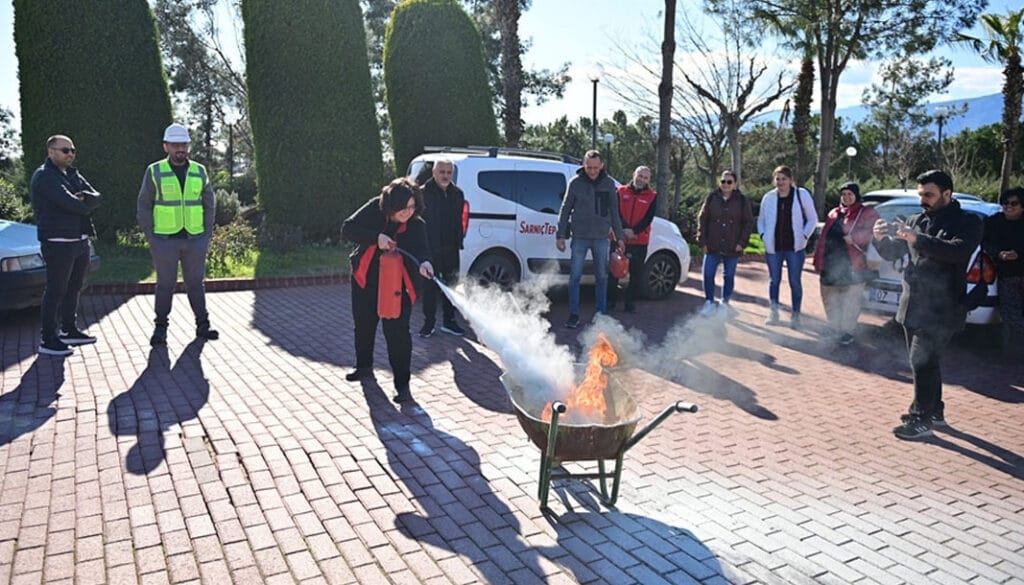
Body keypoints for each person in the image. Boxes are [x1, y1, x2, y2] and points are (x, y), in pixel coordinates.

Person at [872, 169, 982, 440]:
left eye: (929, 195)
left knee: (920, 360)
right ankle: (935, 411)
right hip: (913, 305)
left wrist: (917, 239)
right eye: (921, 194)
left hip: (943, 307)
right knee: (927, 362)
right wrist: (880, 239)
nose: (924, 200)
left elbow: (957, 252)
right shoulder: (915, 219)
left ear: (947, 193)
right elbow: (894, 253)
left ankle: (921, 419)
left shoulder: (968, 221)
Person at [342, 178, 434, 403]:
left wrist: (425, 263)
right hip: (366, 280)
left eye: (412, 207)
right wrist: (376, 238)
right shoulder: (375, 208)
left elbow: (423, 251)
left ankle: (402, 387)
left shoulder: (416, 225)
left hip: (396, 286)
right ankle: (364, 367)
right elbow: (348, 229)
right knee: (364, 325)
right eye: (403, 208)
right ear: (391, 204)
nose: (407, 212)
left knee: (398, 334)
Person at [137, 123, 218, 346]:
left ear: (188, 147)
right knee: (165, 284)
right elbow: (144, 204)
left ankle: (203, 326)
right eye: (174, 145)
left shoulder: (199, 171)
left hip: (195, 239)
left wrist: (206, 233)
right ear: (166, 146)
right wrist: (151, 236)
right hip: (164, 240)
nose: (179, 149)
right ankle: (160, 328)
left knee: (196, 283)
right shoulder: (154, 171)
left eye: (183, 144)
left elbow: (209, 202)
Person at [30, 135, 101, 356]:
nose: (70, 154)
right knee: (55, 290)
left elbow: (96, 197)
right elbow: (72, 204)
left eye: (72, 150)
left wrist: (83, 198)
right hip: (58, 243)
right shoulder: (44, 177)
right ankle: (48, 338)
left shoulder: (72, 173)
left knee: (74, 287)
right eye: (65, 150)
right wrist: (81, 201)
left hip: (80, 241)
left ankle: (69, 330)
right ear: (51, 152)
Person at [555, 150, 625, 328]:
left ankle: (601, 315)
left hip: (601, 237)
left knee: (602, 277)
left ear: (602, 165)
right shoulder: (575, 183)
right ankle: (573, 314)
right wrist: (560, 235)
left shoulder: (609, 184)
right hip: (580, 237)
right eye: (588, 167)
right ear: (583, 165)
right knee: (575, 277)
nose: (592, 171)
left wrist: (620, 237)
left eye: (595, 167)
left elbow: (615, 213)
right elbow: (565, 209)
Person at [812, 182, 880, 345]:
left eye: (850, 194)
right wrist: (817, 260)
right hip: (830, 263)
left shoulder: (867, 213)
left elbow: (874, 232)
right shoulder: (834, 213)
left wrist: (855, 238)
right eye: (844, 194)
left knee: (851, 300)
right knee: (829, 297)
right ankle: (834, 327)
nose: (846, 197)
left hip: (853, 264)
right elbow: (823, 239)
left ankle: (847, 331)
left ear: (856, 195)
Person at [757, 165, 818, 329]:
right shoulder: (768, 197)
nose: (780, 182)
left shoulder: (801, 194)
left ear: (790, 180)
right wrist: (763, 235)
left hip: (795, 248)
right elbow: (761, 220)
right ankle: (774, 312)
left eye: (784, 178)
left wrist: (805, 235)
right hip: (774, 248)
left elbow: (812, 219)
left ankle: (796, 316)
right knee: (774, 281)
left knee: (795, 281)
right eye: (777, 179)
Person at [418, 159, 467, 337]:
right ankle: (428, 324)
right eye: (442, 172)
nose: (445, 176)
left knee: (451, 285)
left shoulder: (458, 194)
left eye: (448, 172)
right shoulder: (423, 194)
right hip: (430, 249)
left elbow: (459, 221)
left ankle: (449, 322)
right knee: (430, 288)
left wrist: (459, 241)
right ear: (434, 172)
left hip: (451, 248)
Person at [697, 170, 754, 317]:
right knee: (708, 274)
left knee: (729, 276)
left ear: (735, 184)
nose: (726, 184)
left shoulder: (742, 200)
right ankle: (709, 301)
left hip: (732, 245)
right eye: (723, 181)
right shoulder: (712, 198)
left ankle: (724, 302)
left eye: (729, 182)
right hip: (712, 244)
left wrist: (742, 243)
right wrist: (702, 240)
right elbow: (702, 219)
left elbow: (748, 223)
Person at [609, 166, 658, 314]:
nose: (642, 179)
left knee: (636, 275)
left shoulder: (652, 196)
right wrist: (623, 230)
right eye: (640, 176)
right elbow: (615, 212)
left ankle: (630, 304)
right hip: (619, 239)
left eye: (645, 177)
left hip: (639, 241)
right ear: (634, 175)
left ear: (648, 180)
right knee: (614, 272)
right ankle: (610, 303)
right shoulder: (620, 191)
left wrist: (634, 231)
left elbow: (649, 218)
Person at [982, 187, 1024, 346]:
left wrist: (1018, 255)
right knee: (1011, 316)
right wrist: (999, 254)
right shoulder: (993, 222)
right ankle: (1015, 351)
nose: (1009, 206)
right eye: (1005, 202)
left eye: (1014, 203)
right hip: (1007, 276)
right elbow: (984, 243)